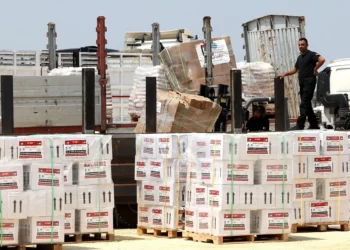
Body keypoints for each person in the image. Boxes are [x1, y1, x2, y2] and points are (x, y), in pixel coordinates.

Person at [278, 38, 325, 130]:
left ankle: (300, 125)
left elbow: (322, 60)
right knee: (307, 104)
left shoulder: (311, 54)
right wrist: (285, 74)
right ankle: (314, 124)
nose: (300, 46)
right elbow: (295, 69)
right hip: (302, 84)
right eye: (299, 45)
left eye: (302, 44)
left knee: (303, 104)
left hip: (309, 82)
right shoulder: (299, 58)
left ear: (307, 45)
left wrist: (315, 69)